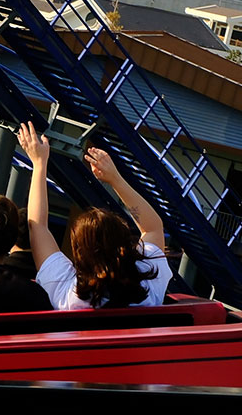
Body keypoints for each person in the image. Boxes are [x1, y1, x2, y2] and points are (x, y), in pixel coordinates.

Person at [17, 121, 172, 309]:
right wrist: (115, 179)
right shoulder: (149, 284)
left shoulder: (67, 294)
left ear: (80, 251)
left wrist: (39, 163)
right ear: (124, 243)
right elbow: (153, 228)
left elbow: (37, 227)